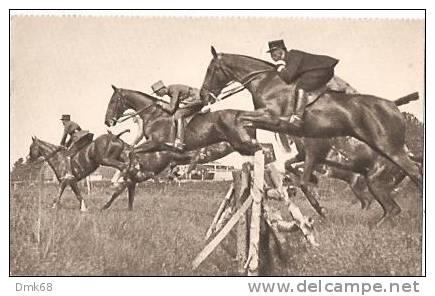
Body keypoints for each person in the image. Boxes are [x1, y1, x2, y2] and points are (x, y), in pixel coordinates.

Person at [267, 39, 339, 128]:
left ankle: (297, 117)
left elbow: (289, 77)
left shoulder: (293, 55)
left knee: (301, 87)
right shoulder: (289, 59)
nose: (272, 56)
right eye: (271, 53)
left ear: (281, 50)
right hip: (321, 70)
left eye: (274, 52)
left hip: (323, 70)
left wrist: (280, 69)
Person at [151, 80, 204, 151]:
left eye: (157, 93)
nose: (157, 95)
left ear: (162, 90)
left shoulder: (173, 90)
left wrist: (161, 104)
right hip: (194, 99)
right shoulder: (171, 90)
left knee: (178, 115)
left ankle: (180, 142)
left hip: (196, 100)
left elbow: (171, 109)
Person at [60, 114, 93, 180]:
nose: (62, 122)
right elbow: (74, 135)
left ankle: (70, 174)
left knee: (68, 155)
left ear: (65, 120)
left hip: (77, 138)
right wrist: (67, 144)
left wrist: (61, 144)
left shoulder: (67, 124)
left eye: (62, 121)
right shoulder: (73, 123)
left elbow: (65, 135)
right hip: (83, 136)